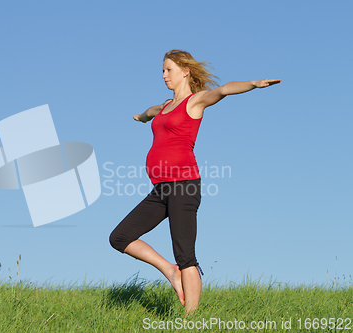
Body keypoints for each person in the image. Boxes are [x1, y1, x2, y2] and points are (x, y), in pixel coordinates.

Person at [109, 49, 281, 313]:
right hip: (160, 189)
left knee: (185, 254)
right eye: (163, 70)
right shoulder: (165, 106)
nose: (164, 75)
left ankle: (190, 320)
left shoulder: (195, 102)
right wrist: (141, 117)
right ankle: (170, 271)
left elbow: (222, 90)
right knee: (119, 237)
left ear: (185, 71)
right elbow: (150, 113)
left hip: (184, 186)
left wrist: (254, 85)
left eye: (169, 70)